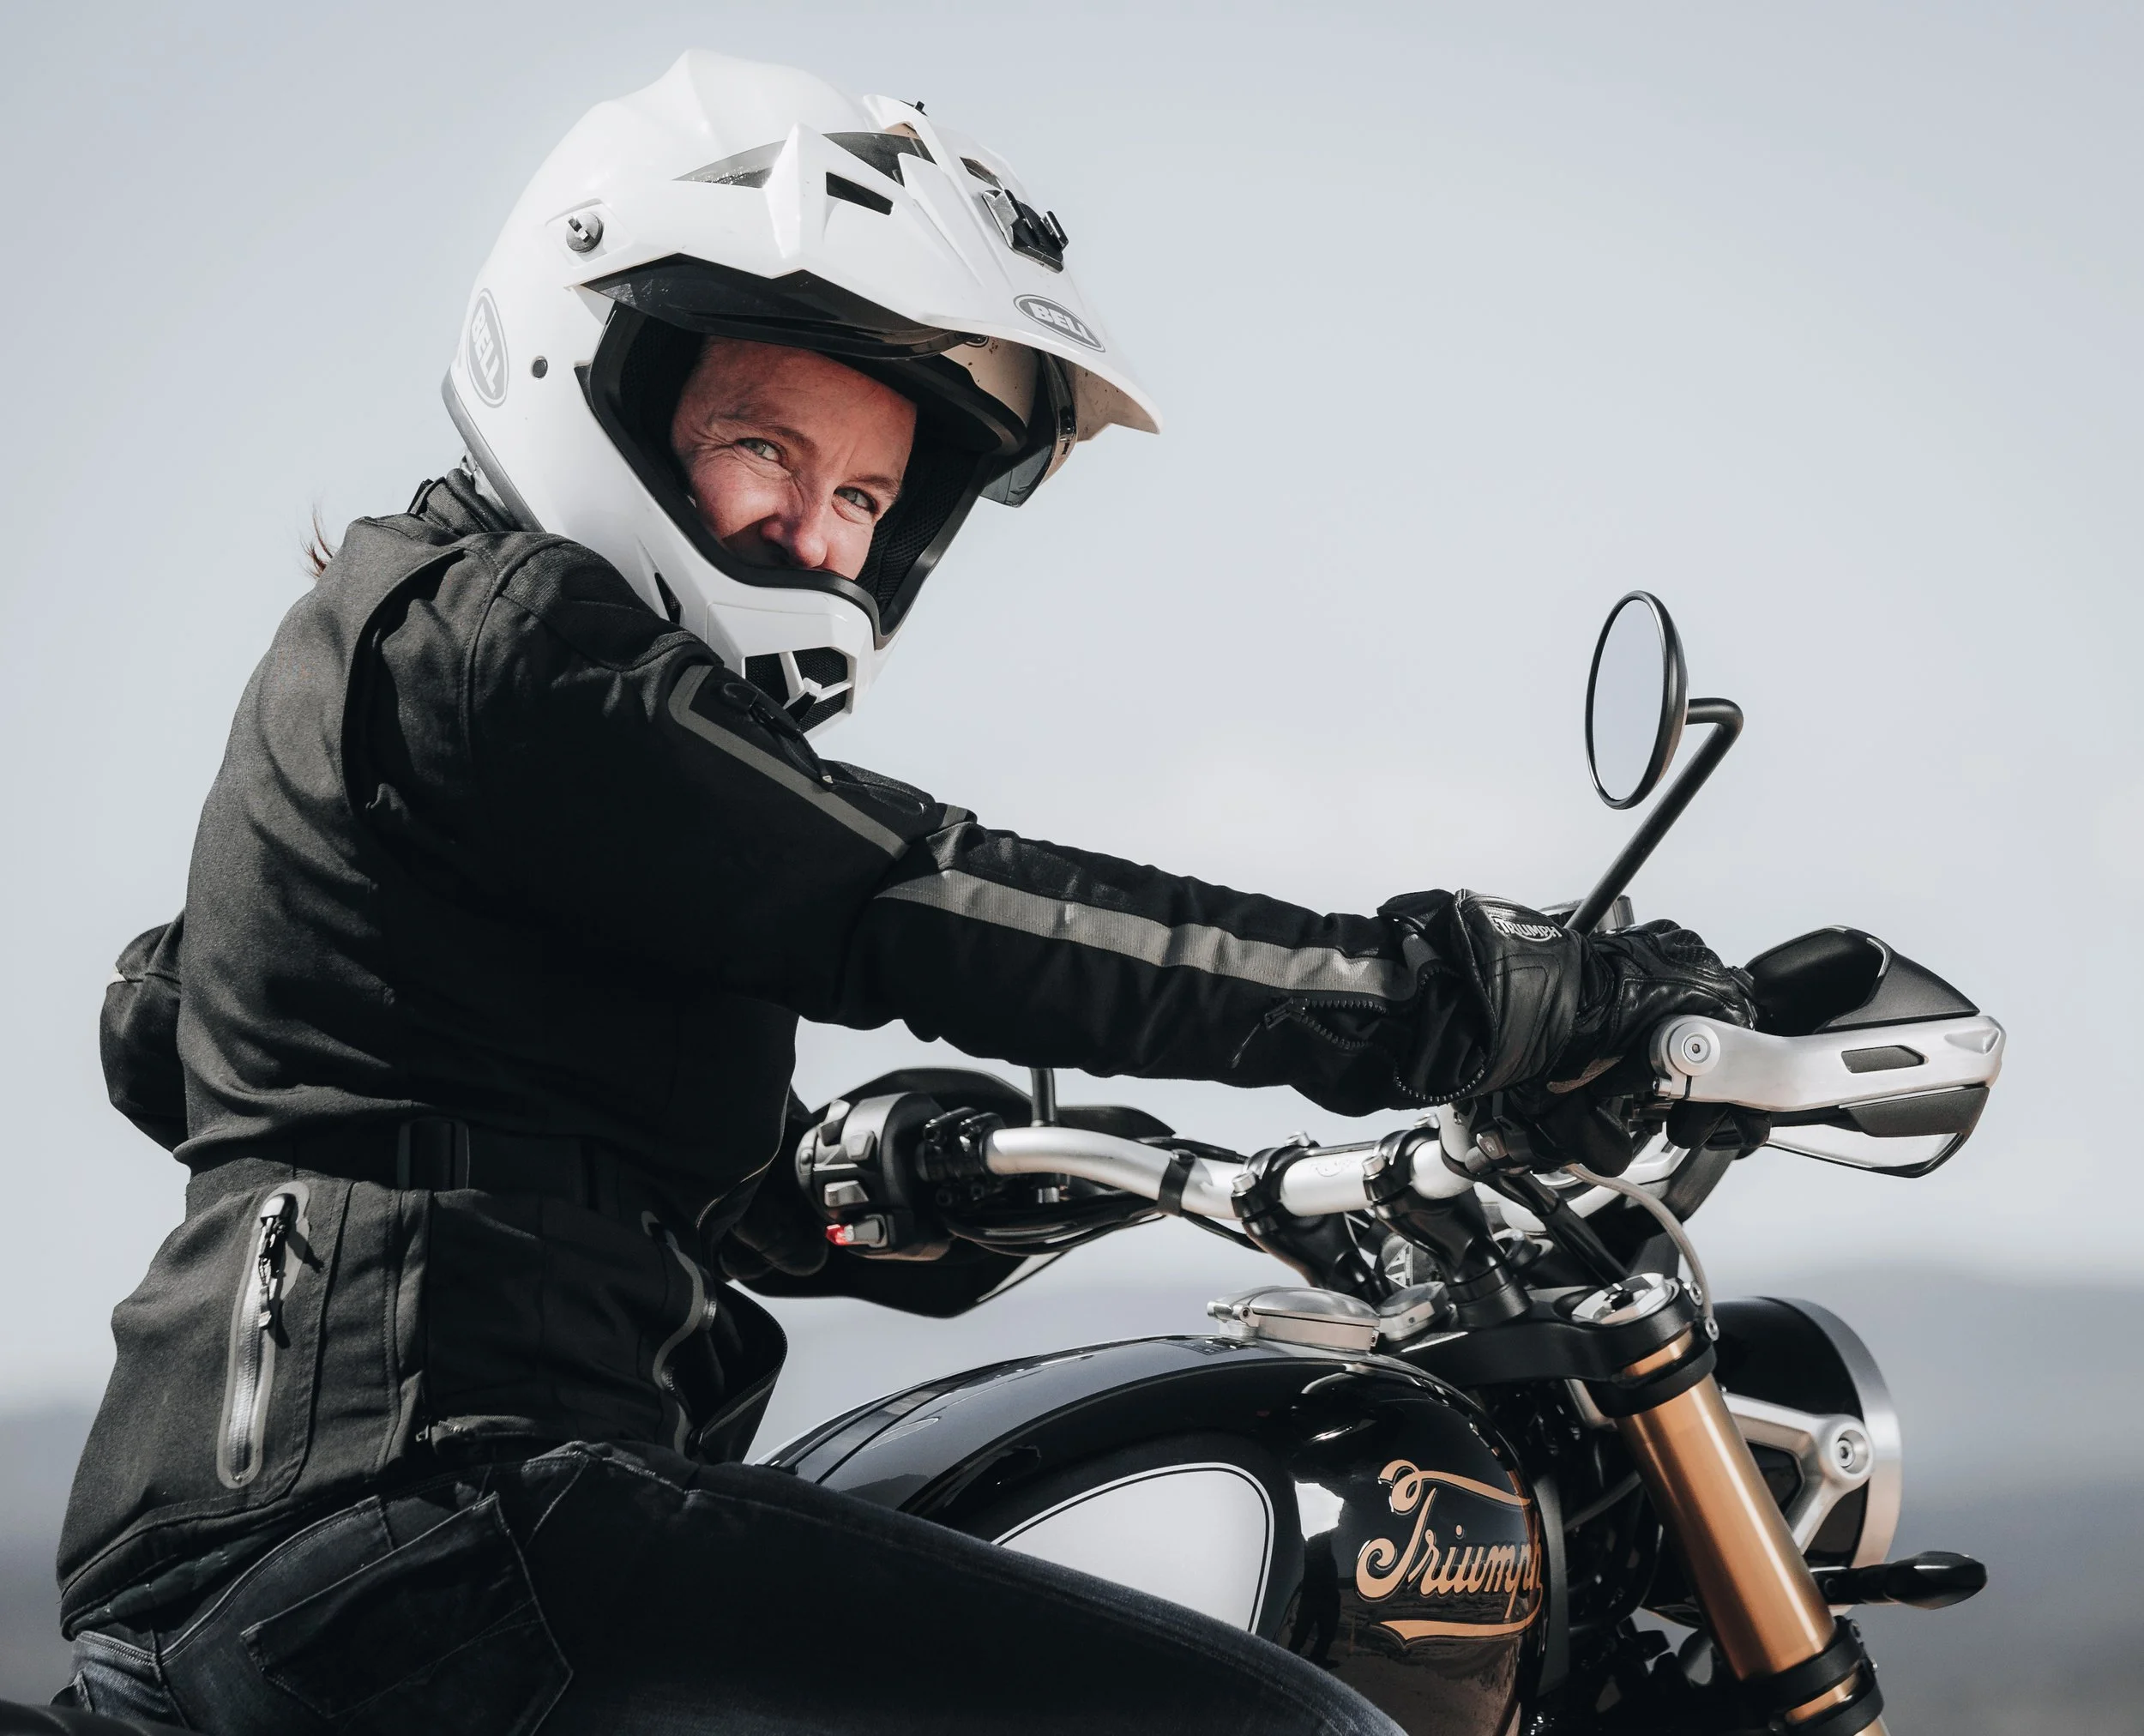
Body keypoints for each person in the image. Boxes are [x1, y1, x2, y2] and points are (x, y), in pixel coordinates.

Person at [54, 51, 1756, 1736]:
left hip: (345, 1553)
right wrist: (1468, 995)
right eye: (765, 448)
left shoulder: (423, 661)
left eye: (864, 494)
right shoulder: (509, 647)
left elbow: (340, 1061)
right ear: (603, 372)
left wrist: (849, 1184)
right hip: (428, 1545)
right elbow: (919, 897)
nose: (817, 536)